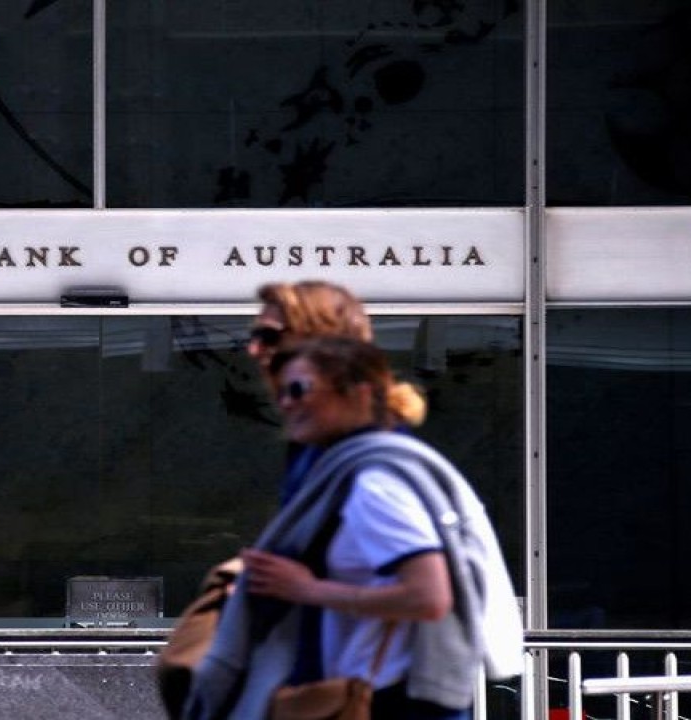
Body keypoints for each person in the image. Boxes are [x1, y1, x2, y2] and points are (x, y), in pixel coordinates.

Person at [182, 336, 522, 719]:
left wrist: (306, 588)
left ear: (358, 394)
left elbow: (429, 596)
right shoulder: (377, 468)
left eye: (300, 389)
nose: (287, 402)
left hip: (390, 700)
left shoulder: (374, 485)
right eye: (281, 392)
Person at [246, 280, 425, 506]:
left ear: (323, 343)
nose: (254, 350)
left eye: (269, 336)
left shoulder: (376, 463)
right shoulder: (317, 440)